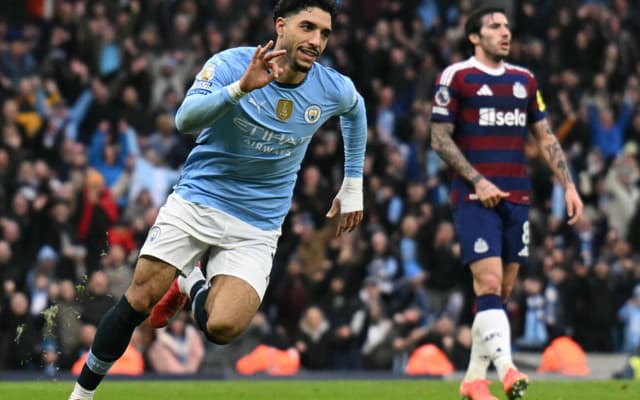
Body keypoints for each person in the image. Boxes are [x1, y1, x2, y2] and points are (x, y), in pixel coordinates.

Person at [68, 1, 366, 398]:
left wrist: (353, 182)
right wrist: (241, 88)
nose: (316, 41)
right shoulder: (231, 64)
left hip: (258, 223)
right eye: (308, 27)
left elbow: (356, 109)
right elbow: (184, 120)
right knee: (139, 299)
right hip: (199, 200)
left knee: (223, 328)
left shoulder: (330, 87)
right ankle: (82, 395)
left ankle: (190, 283)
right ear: (281, 26)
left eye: (325, 33)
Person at [429, 7, 583, 400]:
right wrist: (477, 181)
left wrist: (568, 185)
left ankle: (472, 381)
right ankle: (509, 370)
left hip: (517, 197)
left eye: (506, 26)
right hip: (473, 197)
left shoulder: (525, 81)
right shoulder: (456, 77)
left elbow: (545, 137)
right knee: (490, 282)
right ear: (474, 37)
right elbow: (439, 139)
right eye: (494, 27)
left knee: (500, 294)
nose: (505, 32)